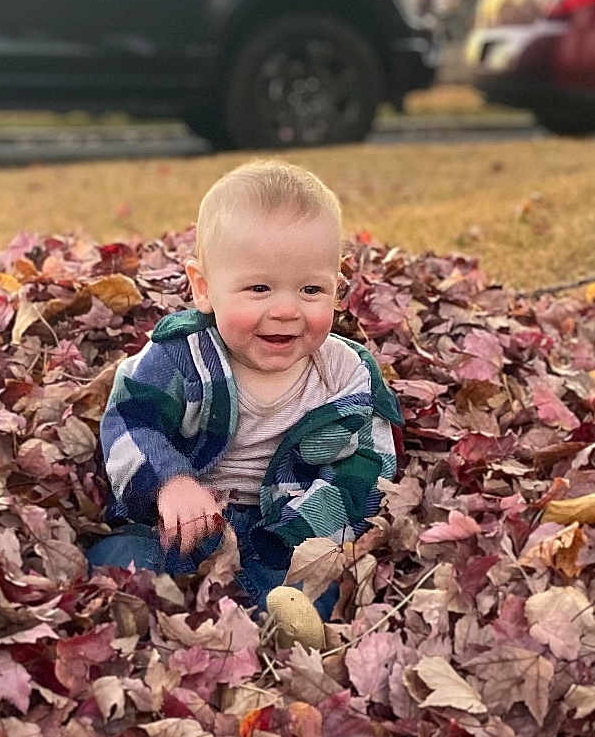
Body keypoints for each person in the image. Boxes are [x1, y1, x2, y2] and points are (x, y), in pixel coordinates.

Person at [88, 157, 404, 648]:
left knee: (312, 586)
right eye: (259, 288)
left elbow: (369, 463)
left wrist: (306, 529)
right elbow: (131, 422)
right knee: (120, 556)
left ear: (337, 287)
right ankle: (157, 616)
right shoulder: (179, 358)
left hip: (285, 533)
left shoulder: (345, 374)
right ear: (204, 288)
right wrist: (169, 482)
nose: (285, 310)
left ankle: (274, 632)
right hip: (187, 524)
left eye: (311, 289)